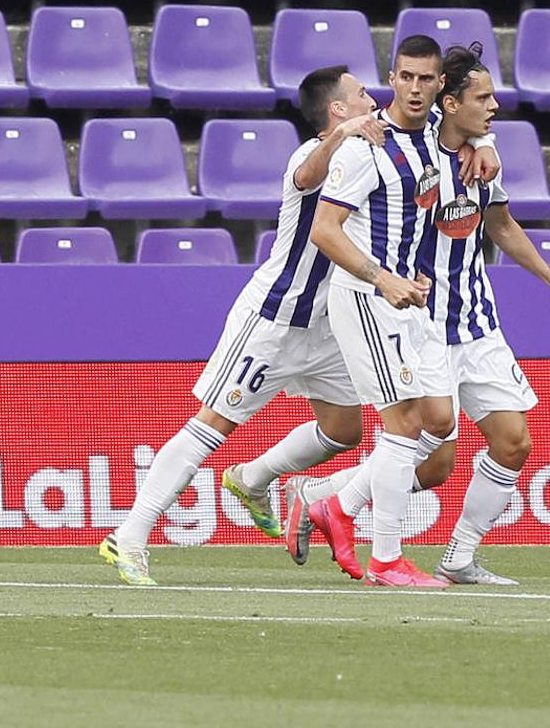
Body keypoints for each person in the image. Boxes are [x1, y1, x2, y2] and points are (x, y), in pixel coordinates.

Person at [290, 44, 550, 585]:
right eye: (484, 99)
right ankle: (342, 510)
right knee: (431, 454)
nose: (494, 107)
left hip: (474, 320)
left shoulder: (477, 156)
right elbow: (330, 195)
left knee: (514, 441)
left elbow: (502, 226)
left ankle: (454, 553)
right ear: (451, 102)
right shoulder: (404, 145)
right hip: (418, 317)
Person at [97, 65, 386, 586]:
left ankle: (252, 479)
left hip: (327, 326)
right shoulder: (311, 153)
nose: (373, 98)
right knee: (212, 426)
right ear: (337, 110)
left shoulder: (370, 159)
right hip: (273, 320)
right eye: (361, 93)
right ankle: (130, 535)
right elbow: (306, 179)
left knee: (346, 431)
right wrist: (340, 136)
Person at [306, 35, 502, 587]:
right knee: (405, 425)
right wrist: (380, 276)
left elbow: (471, 136)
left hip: (413, 302)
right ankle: (386, 558)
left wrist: (485, 146)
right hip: (368, 297)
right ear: (391, 79)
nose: (415, 88)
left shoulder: (440, 146)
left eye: (426, 79)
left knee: (439, 423)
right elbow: (325, 229)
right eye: (405, 77)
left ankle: (336, 506)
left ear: (441, 87)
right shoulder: (368, 144)